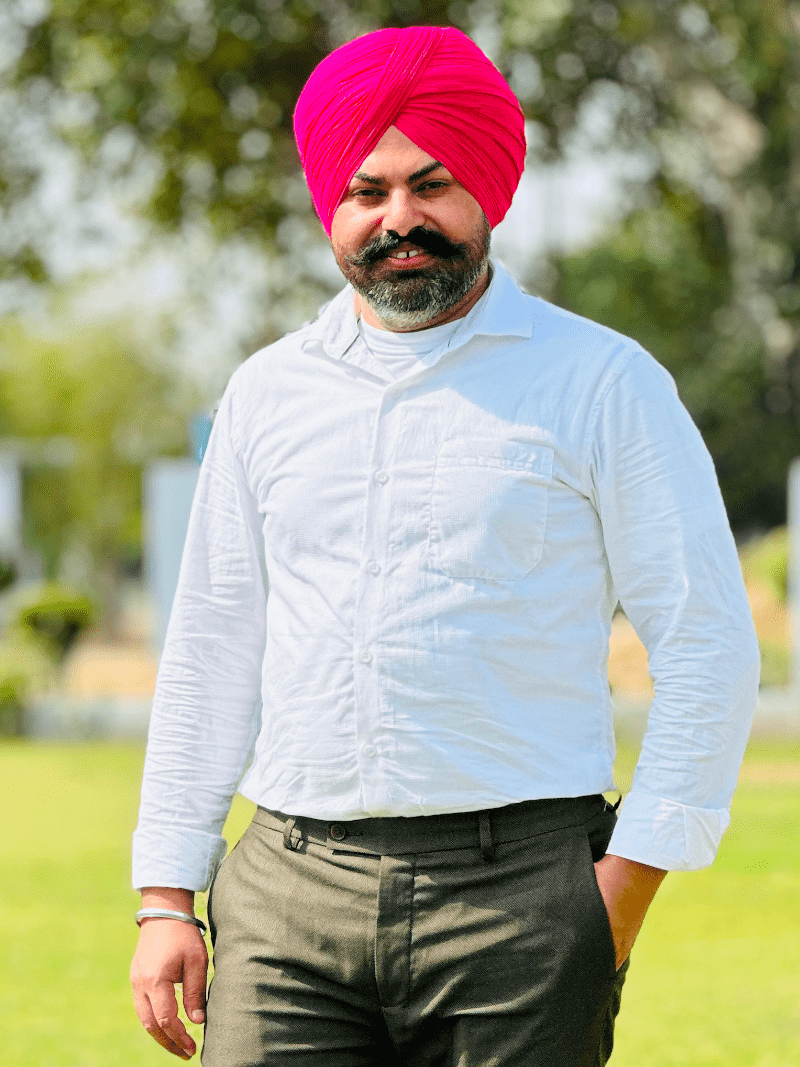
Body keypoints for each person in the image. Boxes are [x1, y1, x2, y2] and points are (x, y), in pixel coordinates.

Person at [130, 24, 760, 1067]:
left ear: (488, 188)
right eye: (367, 191)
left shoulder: (602, 383)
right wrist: (165, 893)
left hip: (521, 900)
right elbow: (211, 645)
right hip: (285, 898)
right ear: (329, 205)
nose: (399, 219)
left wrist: (619, 892)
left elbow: (704, 644)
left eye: (431, 184)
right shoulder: (265, 394)